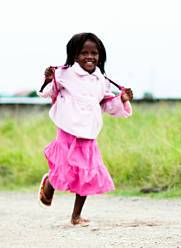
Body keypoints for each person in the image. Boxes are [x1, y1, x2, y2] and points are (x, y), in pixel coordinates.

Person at [37, 32, 133, 225]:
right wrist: (49, 79)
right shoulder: (64, 73)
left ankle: (76, 216)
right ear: (74, 55)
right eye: (84, 53)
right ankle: (50, 183)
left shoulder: (101, 79)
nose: (90, 57)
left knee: (87, 173)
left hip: (89, 132)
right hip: (67, 128)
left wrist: (121, 99)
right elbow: (47, 93)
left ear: (100, 56)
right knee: (63, 168)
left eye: (94, 53)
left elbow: (106, 104)